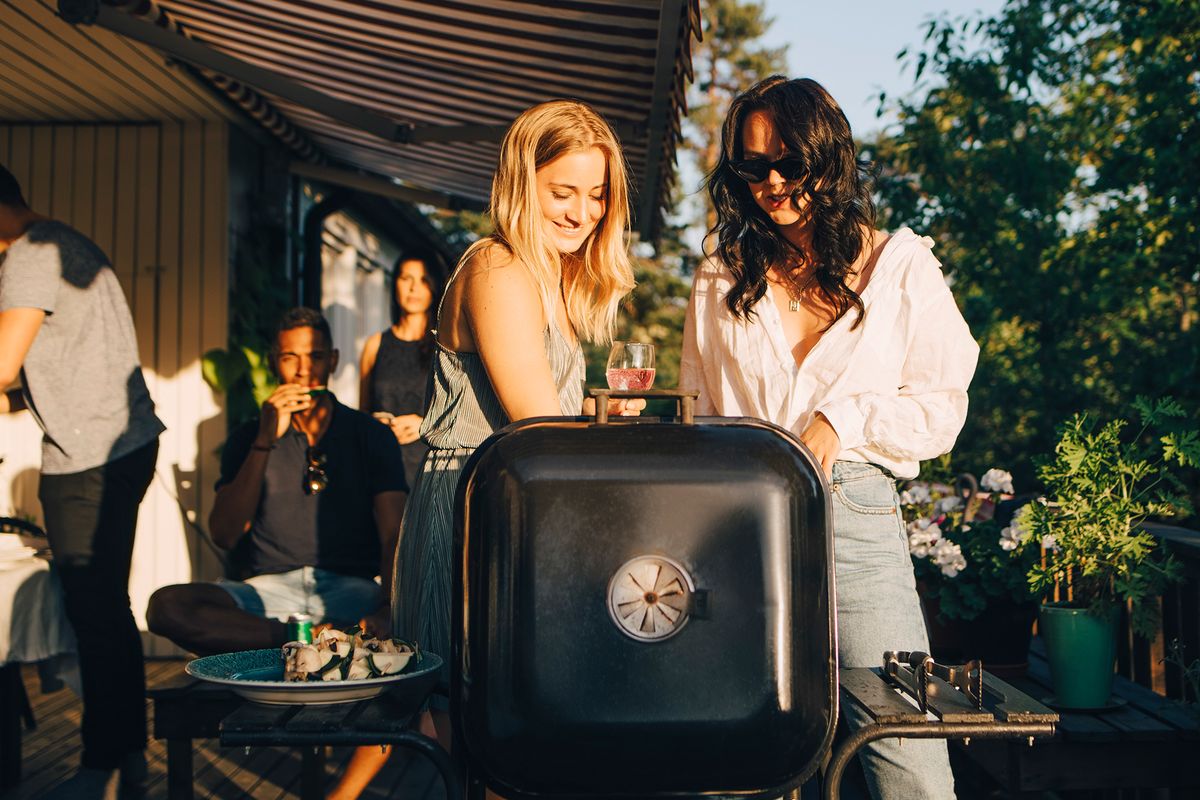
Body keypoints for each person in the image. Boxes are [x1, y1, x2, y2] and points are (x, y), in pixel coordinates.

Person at [327, 99, 643, 800]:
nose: (582, 213)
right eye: (563, 192)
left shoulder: (552, 277)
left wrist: (598, 419)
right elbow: (537, 427)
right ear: (521, 184)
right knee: (473, 727)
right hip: (473, 512)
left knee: (478, 731)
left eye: (596, 196)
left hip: (515, 514)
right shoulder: (498, 269)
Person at [680, 77, 979, 800]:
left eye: (788, 161)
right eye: (752, 167)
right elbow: (698, 407)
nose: (772, 183)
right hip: (742, 519)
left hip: (854, 513)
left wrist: (843, 419)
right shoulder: (722, 275)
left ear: (828, 157)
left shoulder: (901, 266)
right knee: (754, 748)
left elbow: (942, 406)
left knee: (902, 745)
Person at [0, 164, 165, 798]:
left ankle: (102, 764)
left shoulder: (27, 255)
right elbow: (54, 371)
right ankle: (124, 758)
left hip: (90, 459)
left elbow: (5, 364)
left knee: (95, 617)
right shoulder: (66, 243)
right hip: (121, 447)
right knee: (104, 615)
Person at [146, 307, 408, 655]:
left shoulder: (371, 435)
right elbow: (225, 533)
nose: (304, 371)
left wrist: (388, 607)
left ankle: (311, 640)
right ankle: (307, 639)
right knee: (167, 606)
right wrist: (265, 440)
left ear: (332, 361)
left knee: (418, 610)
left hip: (352, 591)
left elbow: (394, 534)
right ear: (273, 363)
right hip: (267, 596)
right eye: (290, 358)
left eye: (315, 357)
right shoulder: (249, 437)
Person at [359, 247, 446, 487]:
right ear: (394, 283)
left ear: (434, 286)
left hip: (428, 466)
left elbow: (461, 414)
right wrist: (378, 425)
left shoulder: (446, 346)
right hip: (380, 465)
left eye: (422, 280)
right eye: (406, 278)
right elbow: (362, 414)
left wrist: (425, 424)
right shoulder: (375, 345)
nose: (413, 288)